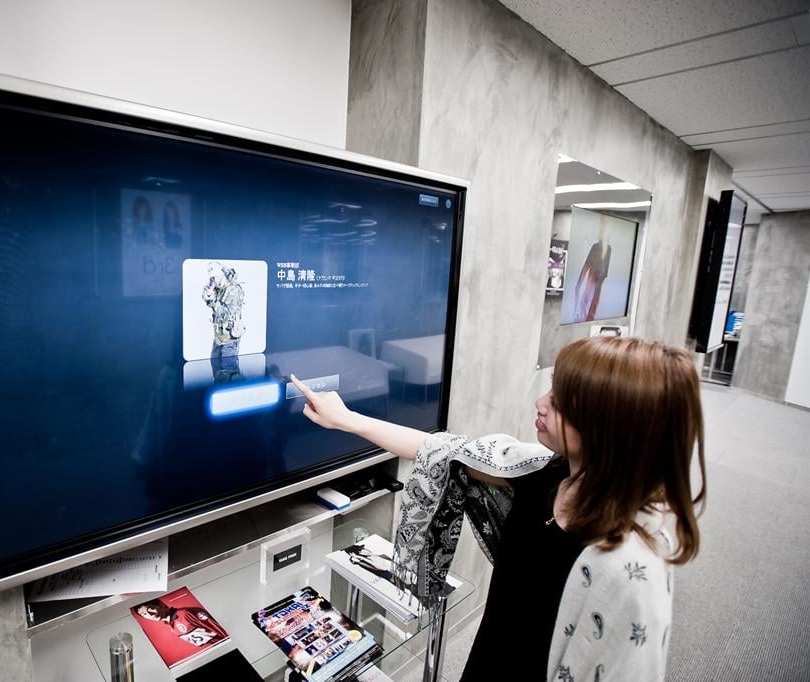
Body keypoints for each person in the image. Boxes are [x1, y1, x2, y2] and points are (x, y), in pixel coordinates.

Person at [291, 336, 705, 681]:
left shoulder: (631, 569)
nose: (540, 402)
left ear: (609, 428)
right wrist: (347, 419)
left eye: (560, 402)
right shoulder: (542, 471)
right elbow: (442, 450)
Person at [134, 597, 229, 648]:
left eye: (151, 608)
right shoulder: (172, 628)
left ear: (161, 604)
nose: (150, 614)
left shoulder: (185, 613)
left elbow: (222, 629)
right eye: (144, 614)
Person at [573, 215, 612, 322]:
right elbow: (586, 266)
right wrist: (578, 284)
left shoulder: (608, 249)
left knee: (591, 306)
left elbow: (604, 273)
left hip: (597, 285)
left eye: (603, 226)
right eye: (601, 226)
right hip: (591, 281)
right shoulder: (596, 247)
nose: (600, 229)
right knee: (584, 302)